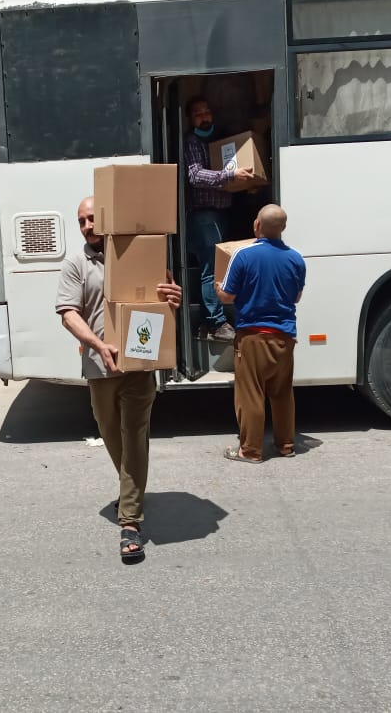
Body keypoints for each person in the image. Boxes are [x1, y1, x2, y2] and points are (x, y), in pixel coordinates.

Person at [55, 196, 182, 564]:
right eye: (81, 221)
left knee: (134, 436)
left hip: (140, 365)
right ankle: (132, 491)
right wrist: (97, 345)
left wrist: (173, 297)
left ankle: (130, 523)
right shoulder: (76, 264)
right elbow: (68, 313)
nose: (87, 226)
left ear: (107, 219)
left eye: (93, 218)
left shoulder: (139, 257)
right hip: (99, 367)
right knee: (112, 436)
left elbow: (165, 301)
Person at [215, 204, 306, 463]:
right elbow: (296, 297)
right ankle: (286, 444)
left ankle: (250, 450)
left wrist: (218, 288)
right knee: (281, 393)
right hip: (285, 337)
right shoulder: (296, 259)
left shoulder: (243, 255)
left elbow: (228, 296)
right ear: (283, 228)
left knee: (251, 393)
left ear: (257, 226)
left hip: (252, 335)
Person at [183, 96, 256, 343]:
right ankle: (215, 323)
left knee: (218, 266)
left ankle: (209, 323)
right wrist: (229, 175)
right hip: (204, 215)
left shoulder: (217, 142)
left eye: (207, 112)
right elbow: (195, 175)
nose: (205, 117)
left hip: (221, 212)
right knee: (211, 268)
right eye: (198, 114)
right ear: (190, 120)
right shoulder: (192, 142)